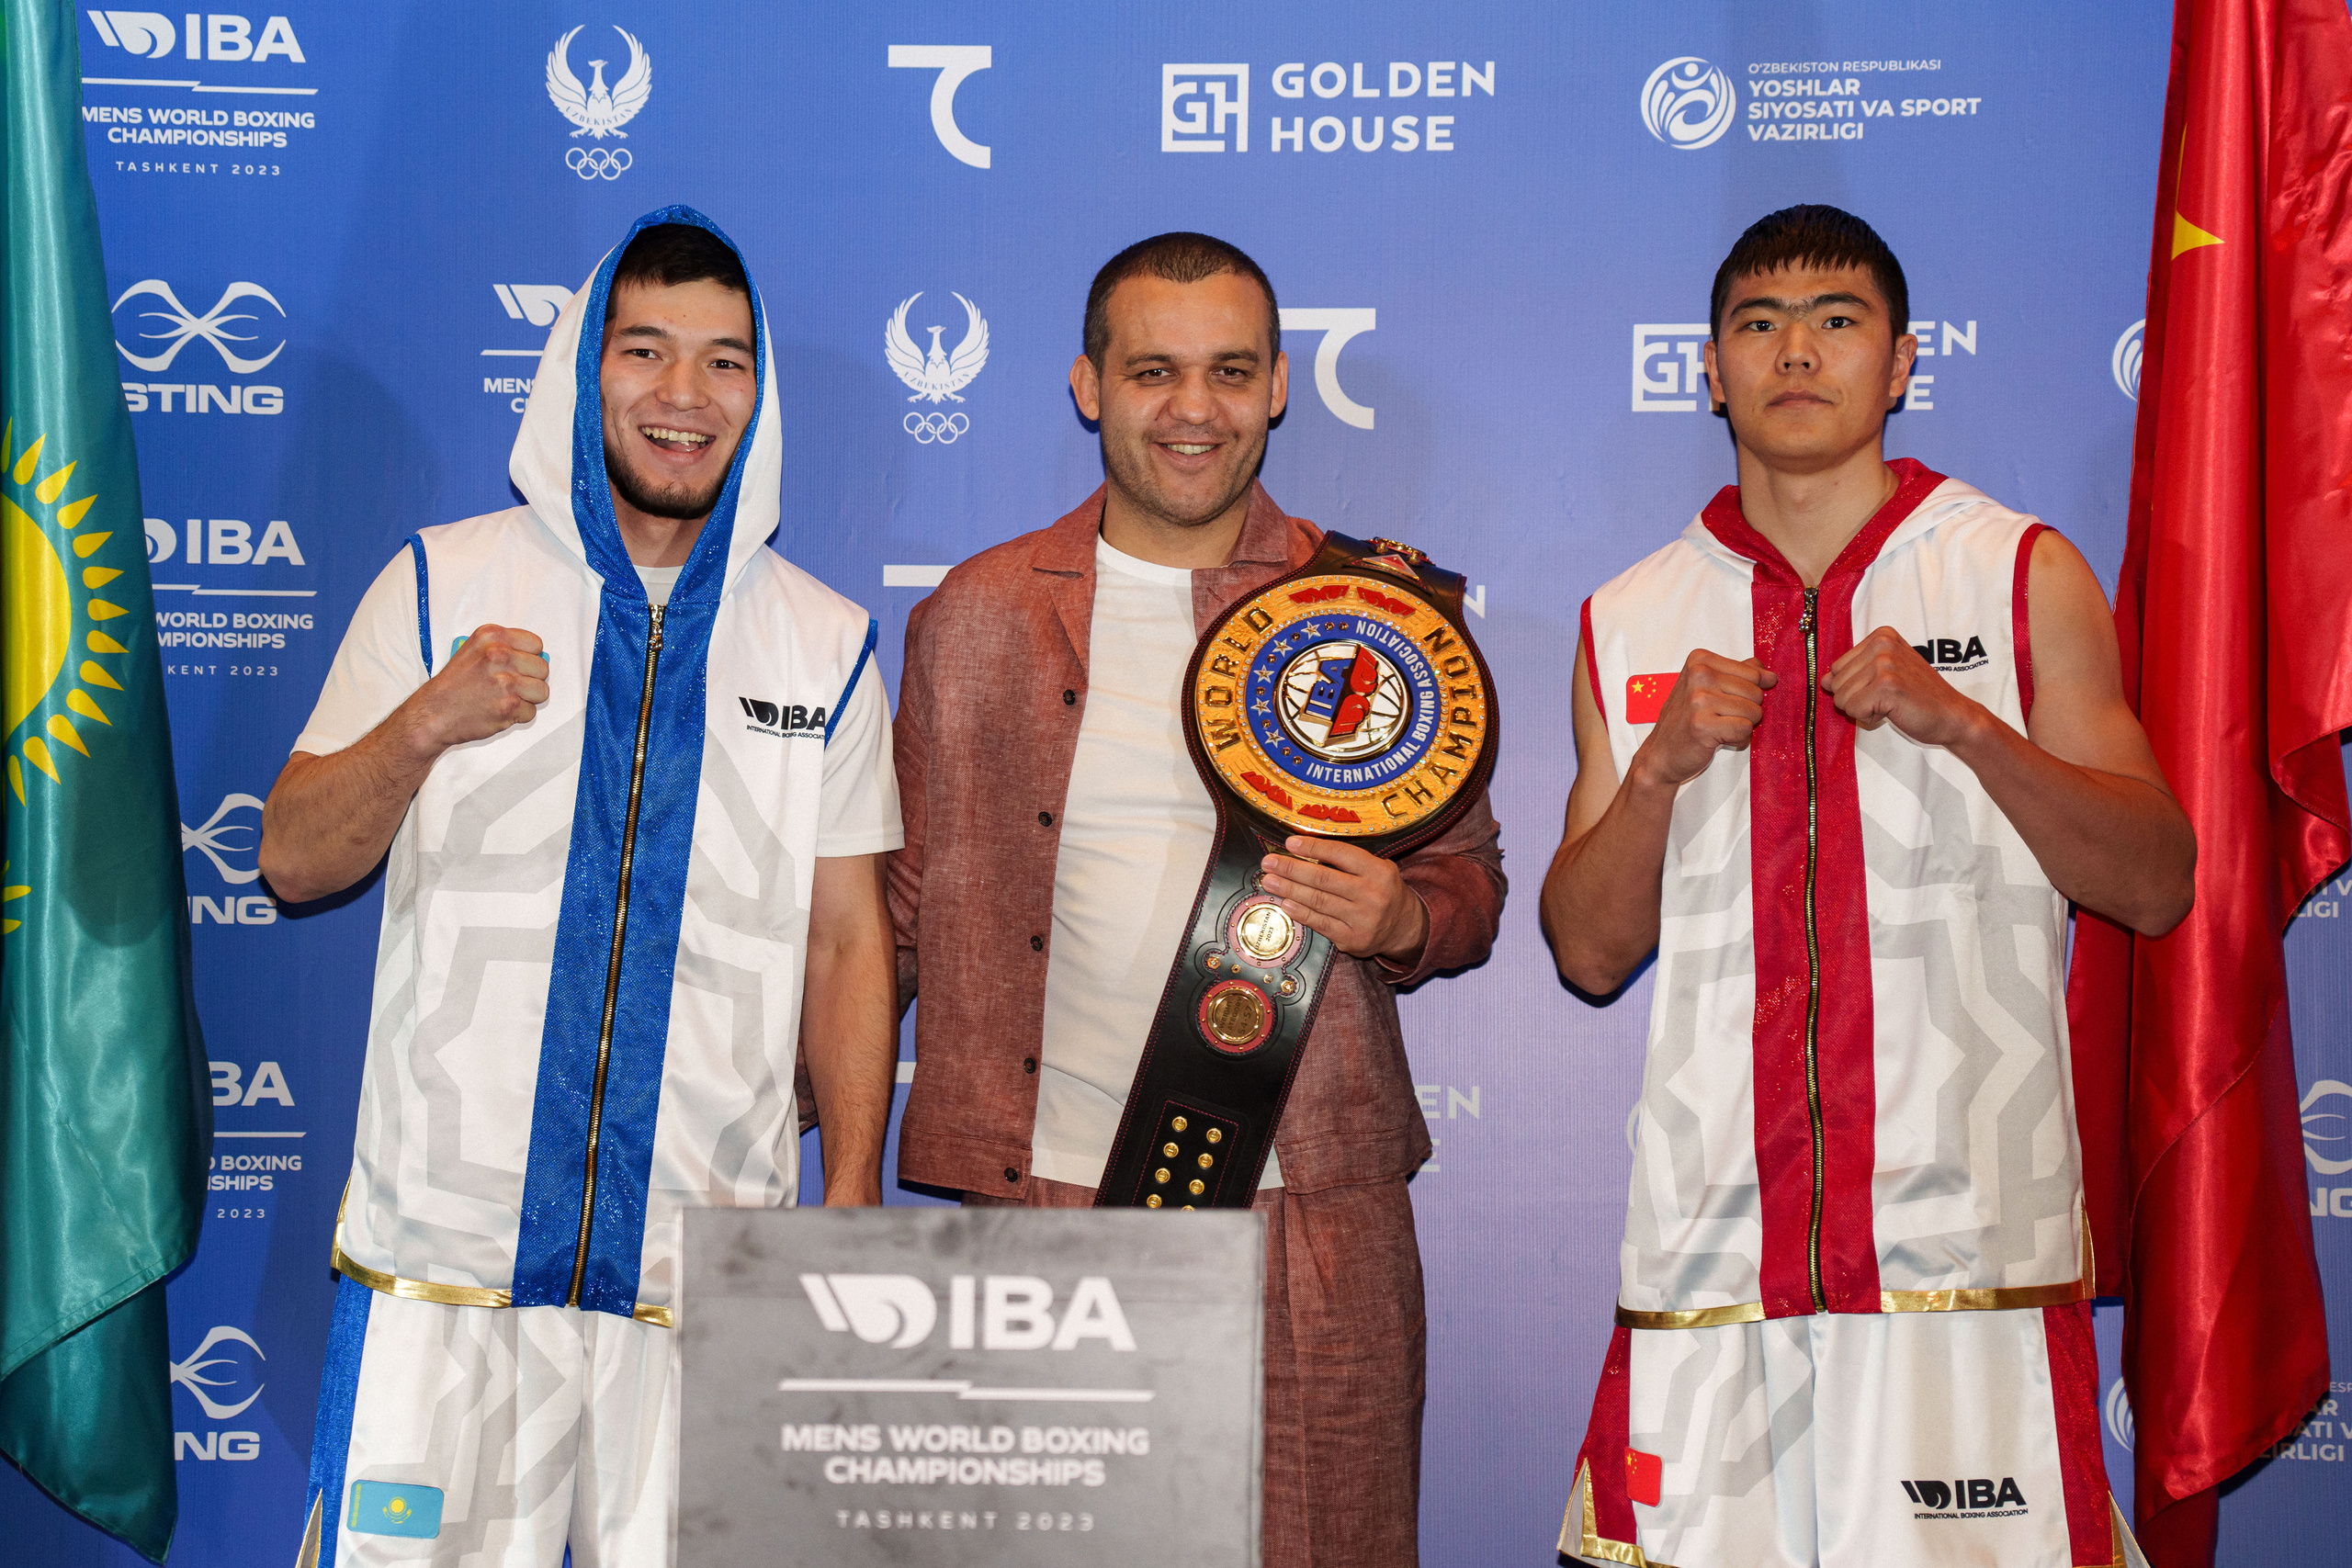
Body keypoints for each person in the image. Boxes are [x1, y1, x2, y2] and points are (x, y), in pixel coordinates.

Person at [1541, 205, 2193, 1568]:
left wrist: (1969, 725)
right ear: (1709, 368)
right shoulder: (1631, 613)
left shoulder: (2017, 571)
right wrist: (1658, 770)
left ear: (1900, 364)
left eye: (1838, 321)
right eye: (1759, 324)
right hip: (1715, 1261)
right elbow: (1588, 954)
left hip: (1967, 1260)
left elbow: (2154, 881)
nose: (1797, 352)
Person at [260, 209, 902, 1567]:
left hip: (702, 1275)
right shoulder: (439, 583)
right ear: (579, 370)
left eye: (725, 360)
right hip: (444, 1266)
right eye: (645, 350)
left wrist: (850, 1191)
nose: (685, 394)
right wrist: (425, 723)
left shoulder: (826, 640)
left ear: (760, 392)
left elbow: (850, 942)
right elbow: (295, 858)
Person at [887, 231, 1506, 1566]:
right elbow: (894, 911)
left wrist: (1404, 920)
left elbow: (1470, 882)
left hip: (1314, 1214)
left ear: (1278, 386)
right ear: (1088, 386)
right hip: (1045, 1208)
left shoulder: (1376, 611)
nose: (1195, 408)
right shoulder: (974, 616)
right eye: (1153, 370)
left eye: (1229, 371)